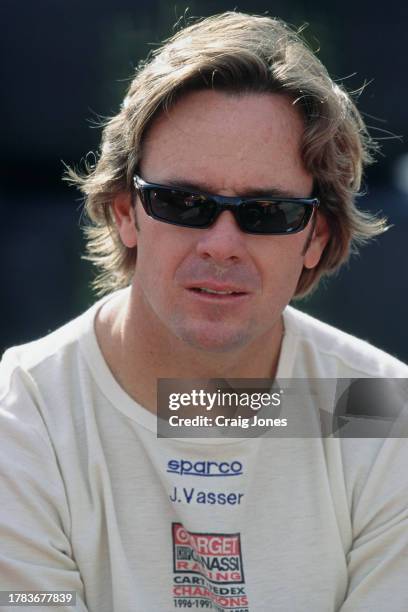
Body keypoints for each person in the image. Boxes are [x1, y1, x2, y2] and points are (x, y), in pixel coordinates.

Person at [1, 11, 407, 612]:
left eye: (267, 211)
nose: (221, 244)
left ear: (316, 237)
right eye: (183, 202)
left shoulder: (380, 407)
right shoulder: (24, 414)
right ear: (123, 211)